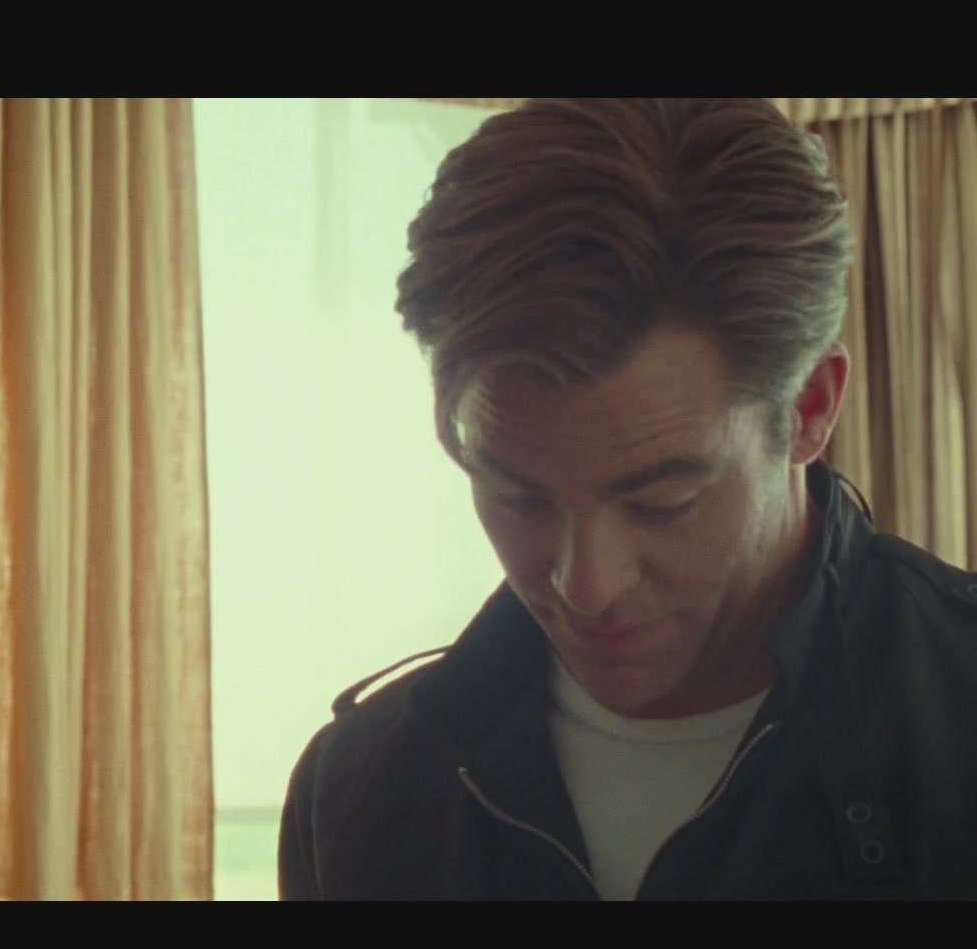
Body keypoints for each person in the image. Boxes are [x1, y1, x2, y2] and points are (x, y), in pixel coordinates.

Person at [279, 98, 977, 900]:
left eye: (662, 503)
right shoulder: (357, 787)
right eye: (518, 497)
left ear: (810, 408)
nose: (587, 586)